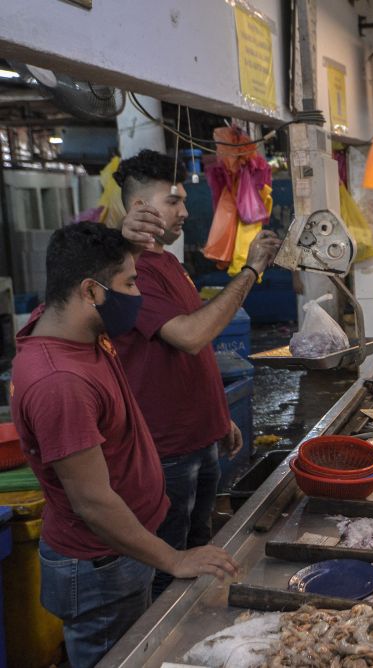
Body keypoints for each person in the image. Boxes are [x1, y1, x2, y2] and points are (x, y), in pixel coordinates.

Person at [9, 223, 239, 668]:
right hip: (102, 565)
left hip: (124, 551)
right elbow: (92, 502)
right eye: (130, 283)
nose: (138, 294)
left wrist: (124, 229)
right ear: (91, 292)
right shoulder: (61, 383)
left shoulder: (75, 329)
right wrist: (174, 559)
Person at [116, 150, 280, 597]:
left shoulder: (168, 262)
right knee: (171, 565)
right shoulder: (133, 274)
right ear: (138, 209)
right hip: (168, 451)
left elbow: (190, 356)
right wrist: (250, 271)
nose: (186, 210)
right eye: (173, 201)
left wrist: (215, 417)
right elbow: (192, 335)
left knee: (199, 551)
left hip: (198, 439)